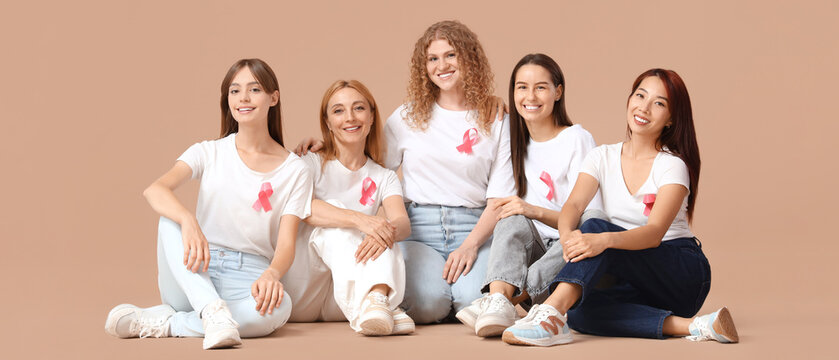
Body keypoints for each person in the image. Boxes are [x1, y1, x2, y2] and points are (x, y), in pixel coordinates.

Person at [502, 68, 739, 346]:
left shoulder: (672, 165)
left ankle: (550, 313)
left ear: (671, 119)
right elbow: (574, 205)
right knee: (579, 315)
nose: (645, 107)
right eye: (640, 95)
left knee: (594, 226)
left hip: (680, 272)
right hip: (631, 278)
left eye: (659, 103)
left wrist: (602, 240)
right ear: (629, 100)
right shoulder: (601, 156)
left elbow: (653, 234)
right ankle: (697, 325)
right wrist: (567, 237)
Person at [104, 59, 312, 349]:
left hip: (249, 277)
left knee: (279, 309)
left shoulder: (295, 170)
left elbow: (287, 243)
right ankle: (211, 311)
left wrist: (273, 274)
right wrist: (189, 221)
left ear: (273, 98)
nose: (244, 98)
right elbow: (156, 189)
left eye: (254, 89)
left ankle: (171, 323)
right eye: (235, 91)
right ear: (227, 100)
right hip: (195, 269)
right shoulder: (209, 152)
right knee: (170, 218)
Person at [454, 53, 603, 337]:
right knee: (509, 217)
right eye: (521, 87)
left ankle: (515, 297)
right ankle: (498, 300)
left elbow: (589, 219)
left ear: (558, 92)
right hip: (535, 252)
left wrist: (533, 210)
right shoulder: (513, 138)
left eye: (541, 87)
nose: (530, 96)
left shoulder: (576, 139)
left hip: (566, 263)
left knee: (584, 226)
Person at [383, 20, 515, 324]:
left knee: (473, 299)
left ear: (469, 58)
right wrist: (322, 146)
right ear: (424, 66)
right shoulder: (406, 116)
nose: (442, 65)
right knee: (430, 305)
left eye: (451, 55)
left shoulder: (495, 118)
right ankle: (439, 292)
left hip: (476, 227)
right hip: (418, 229)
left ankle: (459, 291)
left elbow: (499, 197)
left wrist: (470, 246)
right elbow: (373, 172)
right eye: (433, 58)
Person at [283, 80, 414, 336]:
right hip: (303, 289)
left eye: (359, 108)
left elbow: (403, 223)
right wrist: (358, 220)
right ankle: (379, 301)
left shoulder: (383, 176)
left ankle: (376, 301)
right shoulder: (309, 162)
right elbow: (303, 208)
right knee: (338, 215)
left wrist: (382, 229)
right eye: (339, 110)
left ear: (372, 116)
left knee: (384, 232)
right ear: (328, 121)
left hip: (343, 300)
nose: (350, 118)